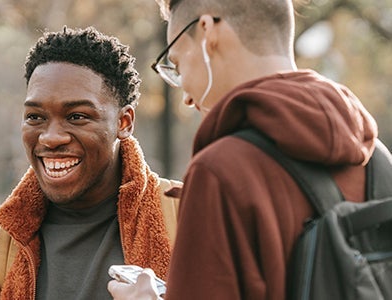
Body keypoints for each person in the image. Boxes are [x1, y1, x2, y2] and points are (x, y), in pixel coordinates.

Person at [108, 0, 379, 299]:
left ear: (207, 30)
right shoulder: (374, 155)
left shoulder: (221, 172)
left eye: (178, 64)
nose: (185, 95)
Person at [0, 26, 182, 299]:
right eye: (35, 117)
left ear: (124, 122)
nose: (51, 138)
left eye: (76, 117)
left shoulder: (191, 217)